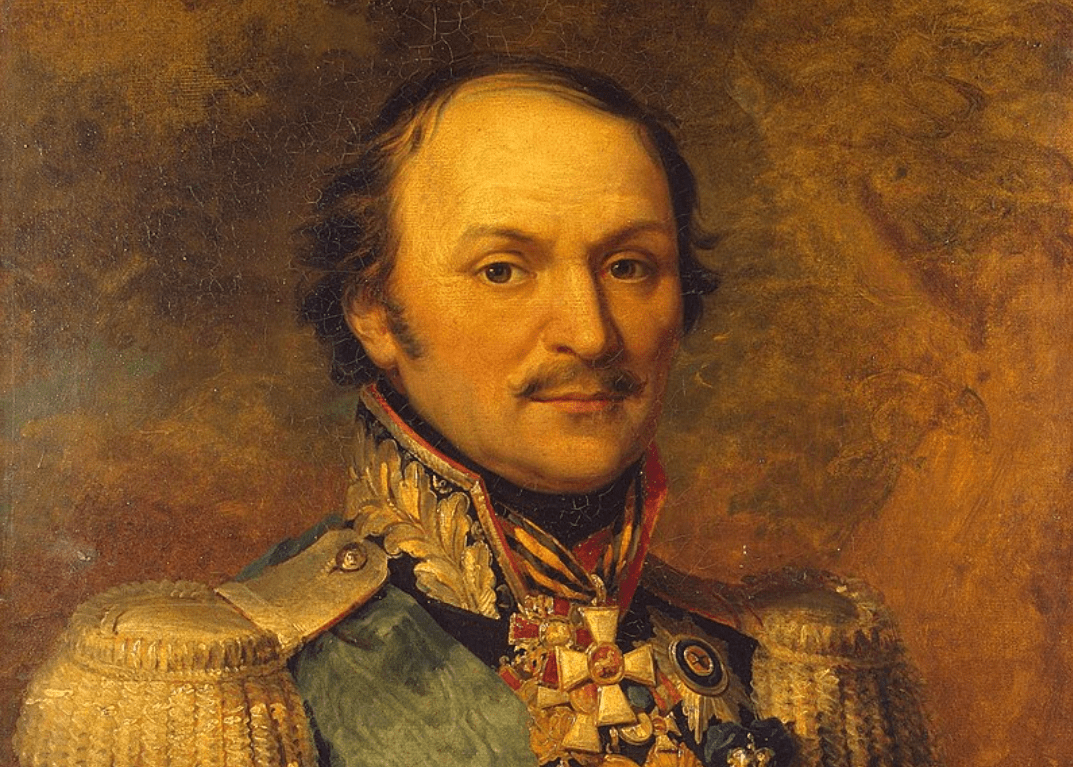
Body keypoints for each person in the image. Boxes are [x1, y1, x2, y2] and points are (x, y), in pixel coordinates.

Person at [15, 56, 937, 767]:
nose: (590, 331)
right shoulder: (209, 688)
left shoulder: (794, 666)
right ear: (375, 310)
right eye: (503, 270)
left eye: (628, 265)